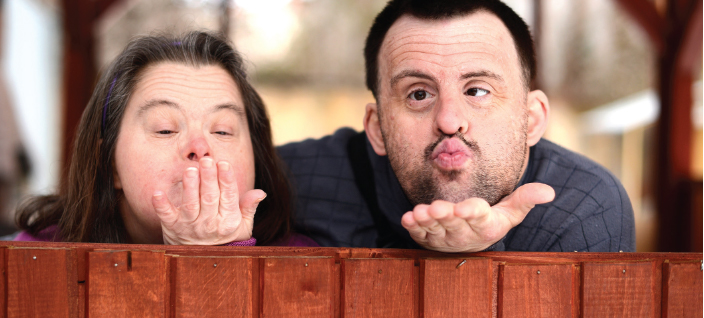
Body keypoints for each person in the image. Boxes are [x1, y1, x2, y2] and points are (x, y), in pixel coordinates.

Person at [278, 0, 635, 252]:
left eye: (477, 90)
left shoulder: (584, 208)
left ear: (532, 118)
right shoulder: (292, 180)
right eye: (418, 94)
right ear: (376, 127)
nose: (449, 121)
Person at [14, 31, 316, 247]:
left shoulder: (307, 264)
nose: (199, 147)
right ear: (110, 165)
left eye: (222, 130)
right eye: (165, 129)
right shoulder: (36, 256)